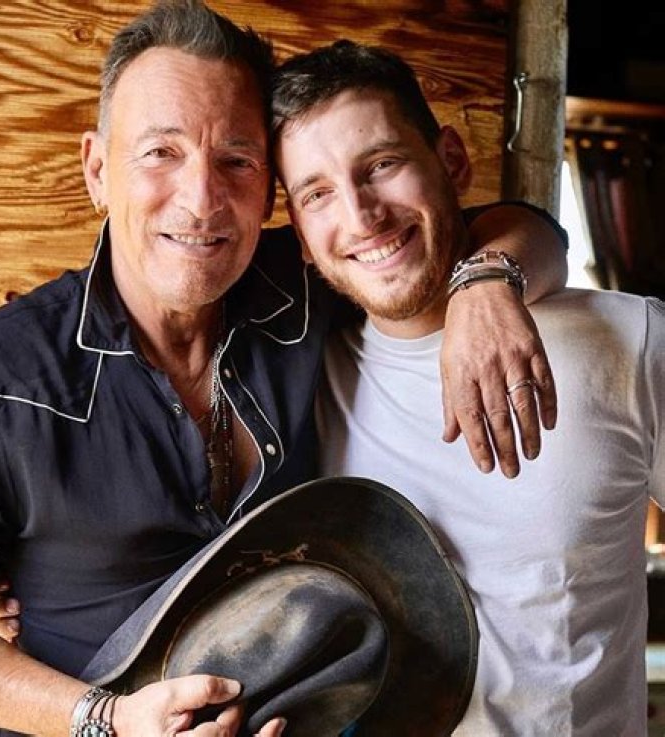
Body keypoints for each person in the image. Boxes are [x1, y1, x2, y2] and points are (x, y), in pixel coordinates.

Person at [0, 2, 567, 736]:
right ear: (97, 170)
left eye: (236, 160)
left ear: (271, 188)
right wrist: (106, 718)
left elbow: (516, 227)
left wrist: (486, 284)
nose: (202, 200)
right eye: (161, 153)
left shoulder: (307, 281)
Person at [271, 39, 665, 734]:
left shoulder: (629, 339)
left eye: (382, 164)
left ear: (451, 161)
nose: (362, 216)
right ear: (301, 235)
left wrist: (488, 277)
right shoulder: (300, 385)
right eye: (318, 194)